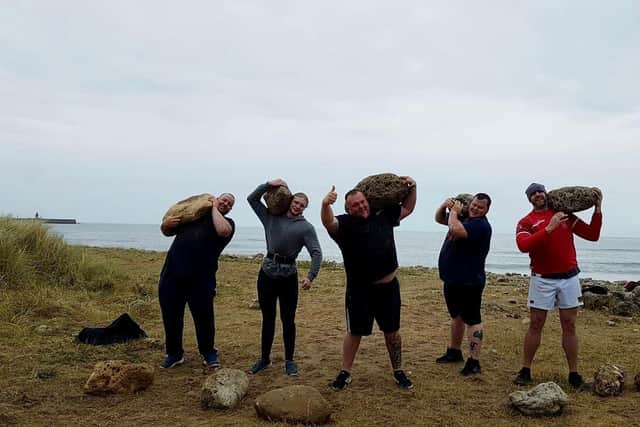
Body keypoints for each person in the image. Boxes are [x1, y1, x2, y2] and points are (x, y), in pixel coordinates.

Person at [321, 177, 417, 390]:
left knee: (392, 331)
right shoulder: (344, 224)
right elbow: (329, 222)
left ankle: (398, 370)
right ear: (348, 208)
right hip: (359, 290)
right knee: (355, 331)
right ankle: (345, 372)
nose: (361, 206)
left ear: (368, 200)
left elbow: (408, 208)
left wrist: (413, 187)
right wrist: (326, 204)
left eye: (362, 202)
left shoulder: (382, 215)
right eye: (355, 205)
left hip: (388, 287)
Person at [514, 183, 602, 388]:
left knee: (569, 326)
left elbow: (593, 235)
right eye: (533, 193)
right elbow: (523, 245)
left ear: (546, 194)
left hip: (569, 278)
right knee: (536, 324)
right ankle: (525, 370)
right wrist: (550, 227)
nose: (537, 195)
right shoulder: (526, 221)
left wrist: (597, 209)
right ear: (529, 199)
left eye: (540, 191)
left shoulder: (565, 216)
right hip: (542, 278)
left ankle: (574, 374)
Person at [247, 179, 322, 376]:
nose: (297, 206)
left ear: (305, 208)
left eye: (302, 205)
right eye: (296, 202)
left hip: (289, 276)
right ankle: (264, 359)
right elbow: (252, 199)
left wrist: (311, 276)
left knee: (288, 320)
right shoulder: (270, 217)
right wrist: (267, 184)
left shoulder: (306, 228)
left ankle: (289, 361)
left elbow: (316, 252)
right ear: (290, 201)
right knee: (268, 319)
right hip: (267, 273)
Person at [158, 193, 236, 369]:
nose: (226, 203)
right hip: (172, 274)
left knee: (204, 317)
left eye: (229, 203)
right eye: (223, 199)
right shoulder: (193, 217)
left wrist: (214, 207)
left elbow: (223, 231)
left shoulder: (227, 223)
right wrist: (165, 224)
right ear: (216, 198)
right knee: (171, 316)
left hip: (202, 278)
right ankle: (174, 354)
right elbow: (167, 231)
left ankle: (208, 352)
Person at [434, 194, 492, 376]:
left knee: (472, 320)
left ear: (486, 210)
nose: (475, 209)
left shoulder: (480, 225)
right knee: (456, 316)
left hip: (470, 282)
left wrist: (454, 212)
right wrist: (445, 205)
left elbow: (455, 228)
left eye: (480, 207)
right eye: (474, 205)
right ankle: (454, 351)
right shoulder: (465, 218)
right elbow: (439, 219)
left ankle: (474, 361)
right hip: (453, 279)